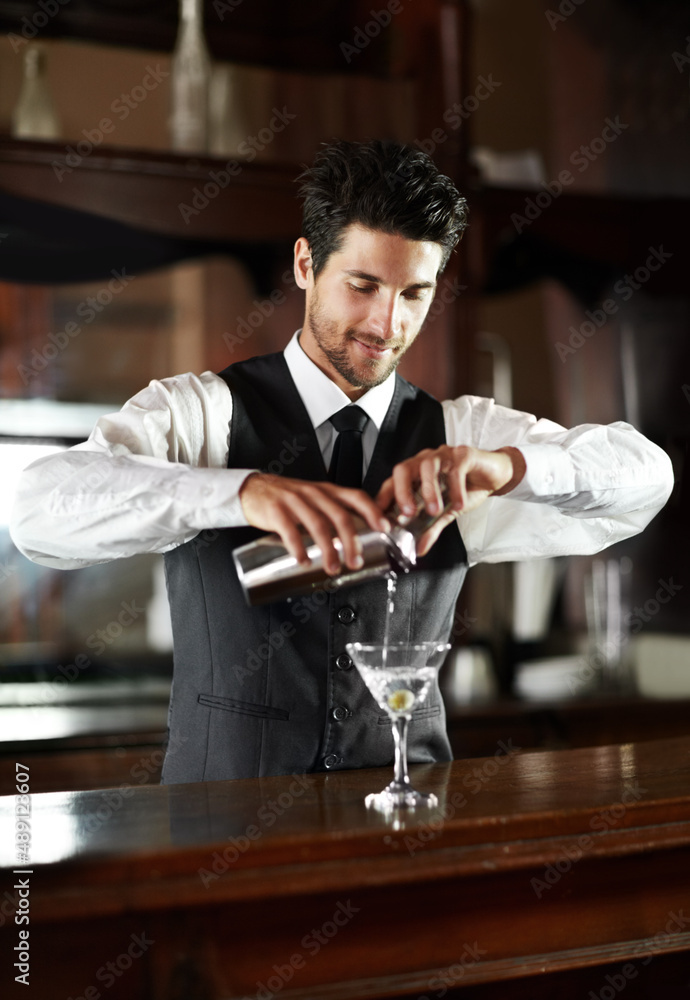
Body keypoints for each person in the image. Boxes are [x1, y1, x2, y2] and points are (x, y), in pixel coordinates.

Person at [10, 139, 673, 784]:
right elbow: (38, 510)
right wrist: (241, 492)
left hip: (403, 837)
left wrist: (506, 470)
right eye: (363, 285)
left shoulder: (460, 432)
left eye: (414, 293)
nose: (387, 323)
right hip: (219, 835)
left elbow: (647, 478)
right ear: (305, 265)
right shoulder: (203, 414)